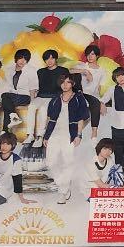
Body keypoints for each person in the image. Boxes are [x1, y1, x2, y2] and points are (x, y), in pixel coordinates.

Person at [35, 71, 90, 204]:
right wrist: (46, 136)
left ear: (73, 84)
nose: (65, 85)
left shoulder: (78, 98)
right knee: (50, 163)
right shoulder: (55, 99)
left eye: (68, 82)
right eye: (62, 82)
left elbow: (81, 118)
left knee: (67, 162)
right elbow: (49, 119)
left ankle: (63, 192)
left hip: (69, 135)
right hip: (54, 134)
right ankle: (63, 184)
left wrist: (78, 135)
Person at [1, 48, 39, 140]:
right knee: (6, 100)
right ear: (16, 58)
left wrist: (32, 102)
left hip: (25, 96)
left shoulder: (31, 70)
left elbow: (33, 87)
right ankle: (6, 129)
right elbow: (6, 85)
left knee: (5, 98)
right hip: (12, 96)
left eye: (25, 59)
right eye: (20, 58)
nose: (23, 61)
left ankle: (6, 129)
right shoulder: (9, 69)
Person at [74, 44, 106, 139]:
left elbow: (99, 88)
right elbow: (68, 71)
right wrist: (85, 71)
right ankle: (87, 133)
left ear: (97, 56)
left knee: (91, 111)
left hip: (93, 97)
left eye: (92, 54)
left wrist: (102, 102)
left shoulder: (102, 71)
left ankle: (92, 134)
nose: (90, 56)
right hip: (81, 93)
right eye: (88, 54)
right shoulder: (82, 66)